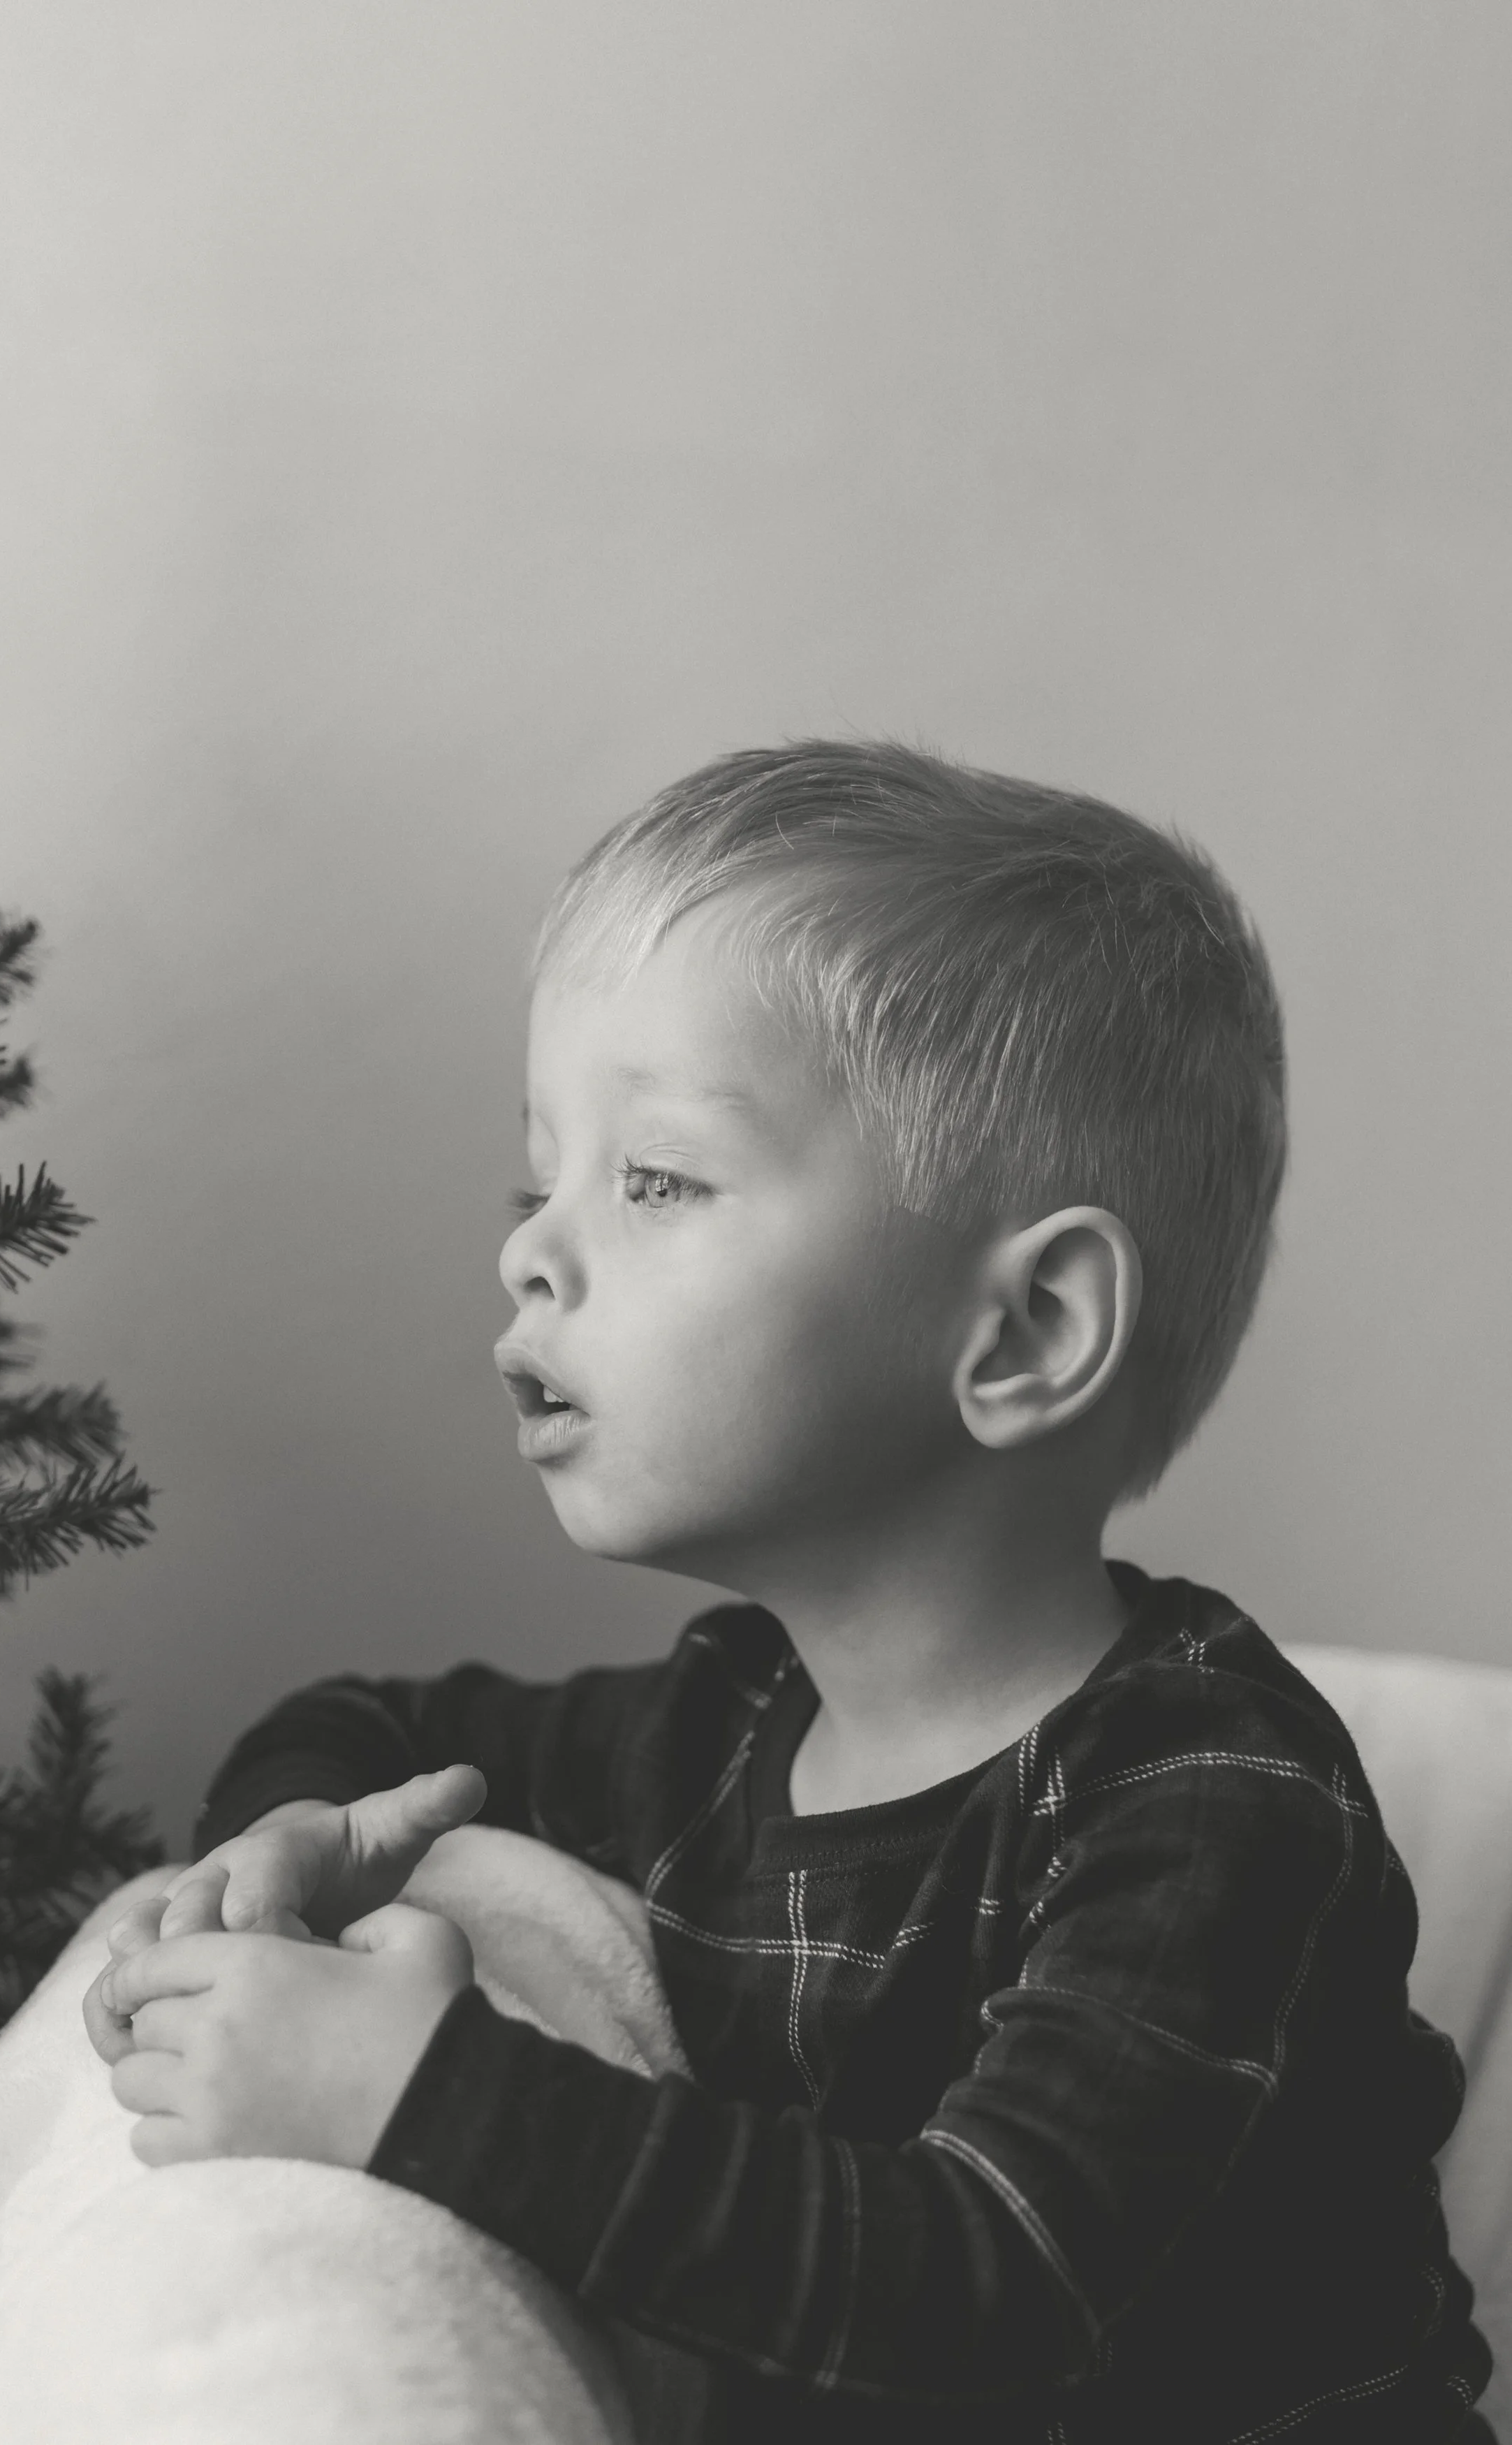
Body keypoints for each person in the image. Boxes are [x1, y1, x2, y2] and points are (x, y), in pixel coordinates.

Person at [85, 742, 1494, 2441]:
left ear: (1026, 1331)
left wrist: (417, 2094)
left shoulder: (1205, 1799)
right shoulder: (724, 1724)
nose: (530, 1248)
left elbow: (990, 2280)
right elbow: (361, 1724)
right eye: (537, 1183)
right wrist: (284, 1845)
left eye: (656, 1178)